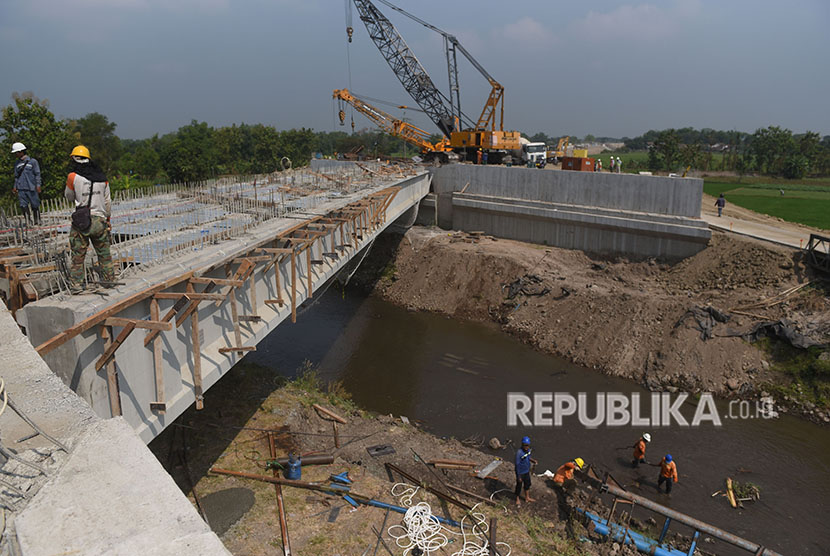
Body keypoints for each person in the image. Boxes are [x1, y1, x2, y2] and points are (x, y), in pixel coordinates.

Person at [64, 145, 114, 291]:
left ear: (74, 159)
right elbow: (107, 202)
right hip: (100, 220)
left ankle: (76, 285)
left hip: (82, 221)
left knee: (78, 256)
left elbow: (68, 196)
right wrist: (108, 220)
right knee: (104, 254)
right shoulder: (102, 178)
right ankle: (109, 280)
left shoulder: (72, 177)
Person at [11, 142, 42, 225]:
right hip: (21, 188)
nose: (16, 155)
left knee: (35, 205)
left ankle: (37, 220)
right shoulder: (17, 164)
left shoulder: (33, 162)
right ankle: (28, 221)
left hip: (31, 187)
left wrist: (38, 185)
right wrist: (15, 187)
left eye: (16, 153)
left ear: (21, 152)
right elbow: (16, 177)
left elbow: (37, 174)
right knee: (23, 205)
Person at [514, 436, 536, 506]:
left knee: (527, 484)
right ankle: (517, 498)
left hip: (526, 471)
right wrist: (518, 476)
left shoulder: (528, 450)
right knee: (519, 486)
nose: (526, 447)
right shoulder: (519, 453)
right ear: (522, 444)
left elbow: (528, 457)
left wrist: (533, 460)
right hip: (521, 472)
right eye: (525, 445)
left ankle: (527, 497)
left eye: (527, 445)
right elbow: (517, 465)